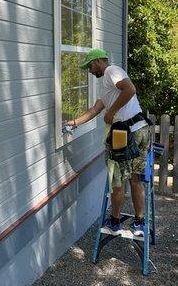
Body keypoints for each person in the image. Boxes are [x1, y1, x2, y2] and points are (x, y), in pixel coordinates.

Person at [66, 48, 151, 236]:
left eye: (89, 66)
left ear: (98, 61)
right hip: (140, 130)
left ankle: (115, 223)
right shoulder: (106, 86)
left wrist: (112, 111)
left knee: (117, 180)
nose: (89, 71)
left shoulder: (112, 71)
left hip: (124, 135)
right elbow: (95, 110)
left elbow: (130, 89)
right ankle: (139, 223)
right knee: (136, 179)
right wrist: (73, 123)